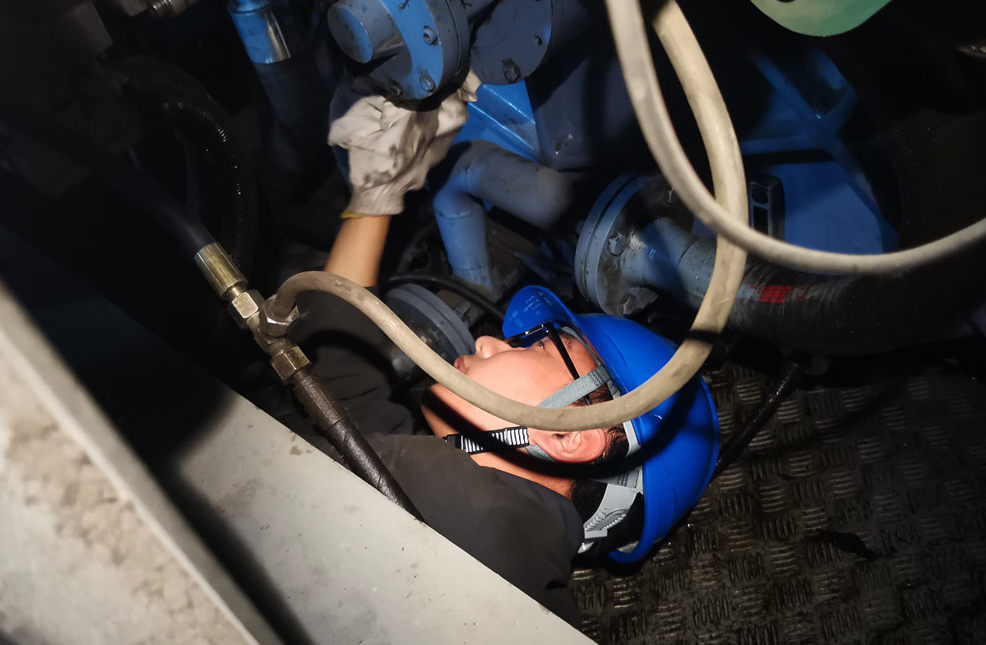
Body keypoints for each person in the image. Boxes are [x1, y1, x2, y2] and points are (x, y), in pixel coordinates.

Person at [287, 216, 721, 625]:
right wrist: (375, 203)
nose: (487, 341)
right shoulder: (472, 530)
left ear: (567, 436)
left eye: (538, 347)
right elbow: (341, 391)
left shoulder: (482, 529)